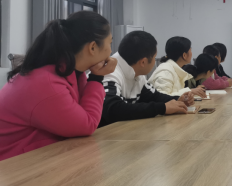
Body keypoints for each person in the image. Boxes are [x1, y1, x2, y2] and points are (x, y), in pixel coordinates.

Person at [0, 12, 117, 161]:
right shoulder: (47, 84)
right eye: (110, 43)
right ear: (93, 47)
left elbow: (83, 116)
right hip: (12, 166)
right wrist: (97, 78)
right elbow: (88, 124)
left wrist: (95, 77)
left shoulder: (71, 73)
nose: (111, 52)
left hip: (37, 157)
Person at [100, 31, 194, 128]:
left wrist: (178, 100)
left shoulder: (136, 72)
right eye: (154, 58)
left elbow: (153, 96)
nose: (155, 62)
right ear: (143, 62)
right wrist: (162, 108)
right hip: (105, 134)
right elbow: (113, 109)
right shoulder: (109, 73)